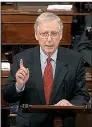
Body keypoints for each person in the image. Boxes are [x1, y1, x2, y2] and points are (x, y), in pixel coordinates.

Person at [3, 12, 90, 127]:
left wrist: (70, 104)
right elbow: (8, 96)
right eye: (44, 34)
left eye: (54, 33)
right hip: (29, 124)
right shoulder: (22, 59)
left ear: (61, 35)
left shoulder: (75, 59)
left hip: (62, 122)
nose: (49, 39)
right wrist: (18, 86)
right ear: (36, 35)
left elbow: (82, 95)